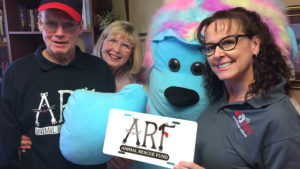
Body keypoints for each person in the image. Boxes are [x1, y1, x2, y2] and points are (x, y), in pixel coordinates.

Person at [174, 7, 300, 169]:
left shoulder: (280, 120)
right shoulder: (219, 98)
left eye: (228, 42)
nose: (217, 54)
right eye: (210, 47)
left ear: (255, 45)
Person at [0, 0, 115, 168]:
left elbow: (111, 124)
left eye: (68, 25)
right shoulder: (16, 74)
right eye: (51, 24)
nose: (59, 33)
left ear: (80, 26)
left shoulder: (100, 70)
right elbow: (5, 139)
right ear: (39, 23)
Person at [93, 20, 143, 92]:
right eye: (113, 41)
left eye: (125, 45)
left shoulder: (135, 82)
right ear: (102, 42)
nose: (117, 50)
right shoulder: (85, 71)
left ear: (132, 52)